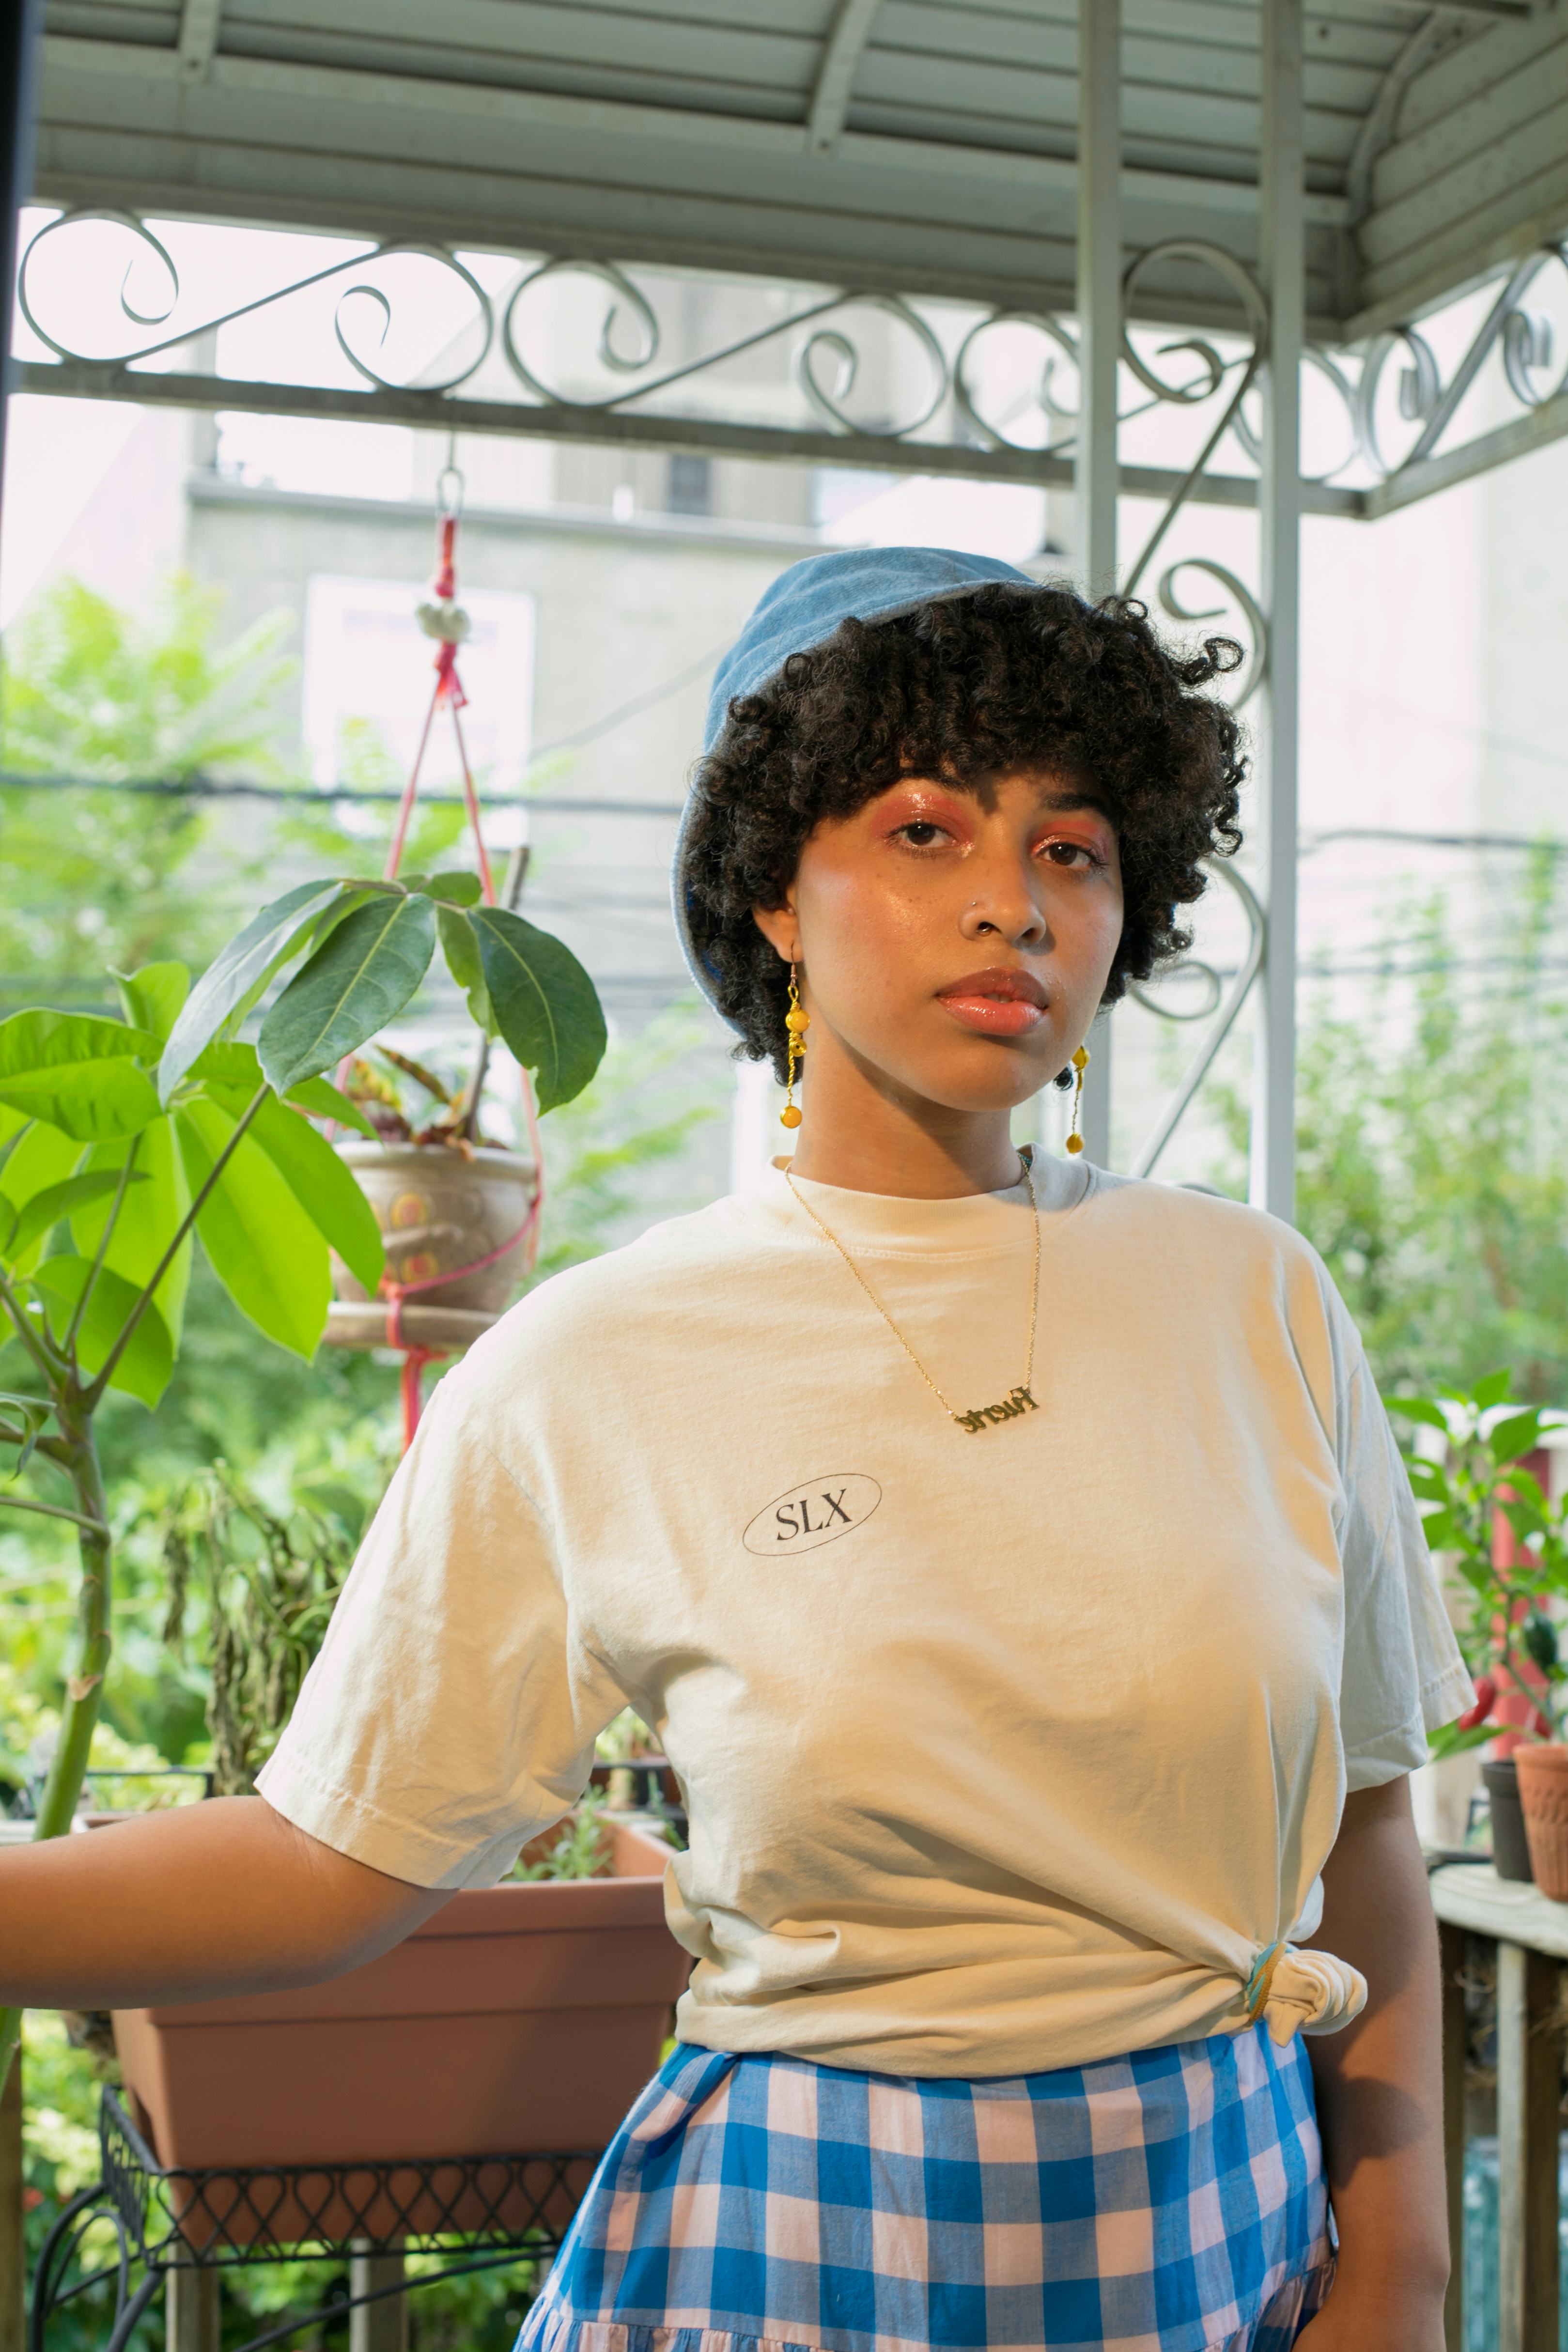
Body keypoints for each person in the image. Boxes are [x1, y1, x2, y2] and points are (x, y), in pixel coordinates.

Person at [1, 548, 1470, 2352]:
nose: (1012, 905)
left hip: (1233, 2235)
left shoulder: (1256, 1298)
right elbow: (330, 1859)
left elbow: (1372, 1812)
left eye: (1072, 849)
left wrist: (1401, 2273)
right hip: (799, 2252)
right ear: (773, 887)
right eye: (925, 830)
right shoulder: (593, 1363)